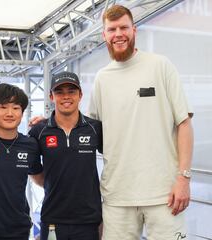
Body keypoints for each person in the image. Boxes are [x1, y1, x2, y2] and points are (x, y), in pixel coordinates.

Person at [88, 5, 194, 239]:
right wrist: (48, 122)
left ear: (134, 30)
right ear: (104, 35)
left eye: (124, 27)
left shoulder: (160, 65)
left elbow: (184, 123)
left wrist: (183, 178)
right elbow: (87, 130)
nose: (118, 34)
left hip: (165, 194)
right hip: (117, 196)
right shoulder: (101, 79)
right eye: (112, 29)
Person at [29, 71, 103, 240]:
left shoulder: (95, 128)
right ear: (51, 97)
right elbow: (33, 170)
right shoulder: (39, 131)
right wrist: (54, 185)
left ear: (80, 95)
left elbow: (116, 158)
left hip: (88, 220)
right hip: (53, 218)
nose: (66, 97)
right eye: (59, 92)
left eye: (71, 91)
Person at [0, 83, 43, 240]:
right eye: (3, 107)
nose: (10, 113)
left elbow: (40, 177)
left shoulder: (30, 145)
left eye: (16, 108)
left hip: (18, 228)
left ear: (22, 112)